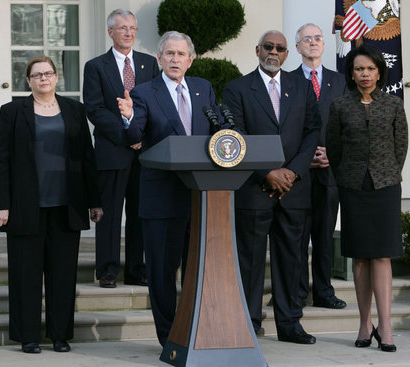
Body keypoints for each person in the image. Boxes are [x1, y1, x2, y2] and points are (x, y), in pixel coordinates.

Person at [0, 55, 103, 354]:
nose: (44, 78)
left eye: (49, 73)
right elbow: (2, 160)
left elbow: (87, 158)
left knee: (62, 275)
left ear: (56, 78)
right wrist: (2, 204)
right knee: (25, 274)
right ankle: (27, 336)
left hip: (67, 205)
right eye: (37, 74)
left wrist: (94, 201)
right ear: (28, 80)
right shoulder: (12, 111)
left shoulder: (74, 110)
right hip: (24, 206)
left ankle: (60, 335)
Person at [117, 31, 220, 346]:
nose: (175, 59)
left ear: (190, 59)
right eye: (169, 54)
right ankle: (169, 337)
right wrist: (128, 117)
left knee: (197, 269)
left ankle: (195, 330)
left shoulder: (204, 89)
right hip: (161, 198)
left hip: (201, 196)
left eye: (181, 54)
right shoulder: (146, 93)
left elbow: (218, 129)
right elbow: (135, 134)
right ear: (159, 58)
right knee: (162, 273)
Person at [222, 30, 322, 344]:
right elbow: (235, 136)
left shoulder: (302, 87)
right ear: (257, 50)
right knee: (250, 262)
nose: (274, 52)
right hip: (255, 189)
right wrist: (267, 172)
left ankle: (290, 325)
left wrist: (291, 171)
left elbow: (312, 132)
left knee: (292, 261)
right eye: (268, 47)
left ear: (286, 53)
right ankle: (249, 324)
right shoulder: (237, 89)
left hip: (293, 191)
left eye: (279, 48)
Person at [326, 44, 408, 352]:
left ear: (379, 72)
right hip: (352, 187)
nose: (365, 74)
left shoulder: (394, 104)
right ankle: (364, 323)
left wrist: (385, 173)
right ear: (351, 73)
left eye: (371, 69)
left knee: (382, 255)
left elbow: (401, 147)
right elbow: (334, 149)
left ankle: (385, 327)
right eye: (360, 69)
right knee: (360, 256)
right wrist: (348, 175)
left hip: (386, 186)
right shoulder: (340, 107)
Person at [83, 9, 159, 288]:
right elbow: (95, 109)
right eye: (122, 28)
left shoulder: (149, 64)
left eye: (132, 28)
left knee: (141, 213)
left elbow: (154, 105)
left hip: (144, 154)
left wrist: (139, 133)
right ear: (110, 32)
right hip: (112, 151)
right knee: (110, 215)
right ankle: (107, 270)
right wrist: (127, 134)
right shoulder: (95, 66)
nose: (128, 33)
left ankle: (136, 270)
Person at [289, 23, 347, 310]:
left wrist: (332, 154)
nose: (312, 42)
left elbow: (348, 126)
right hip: (297, 171)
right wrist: (304, 154)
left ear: (324, 45)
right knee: (297, 234)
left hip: (329, 170)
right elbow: (284, 127)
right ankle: (297, 293)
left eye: (317, 38)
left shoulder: (341, 82)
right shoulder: (286, 82)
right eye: (306, 39)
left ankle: (323, 291)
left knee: (324, 234)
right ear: (297, 47)